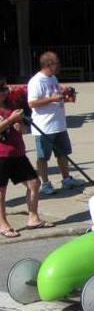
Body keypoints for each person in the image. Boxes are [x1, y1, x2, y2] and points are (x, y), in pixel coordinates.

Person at [0, 77, 51, 237]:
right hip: (1, 154)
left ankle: (33, 218)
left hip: (17, 152)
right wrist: (10, 120)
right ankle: (2, 223)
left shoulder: (11, 105)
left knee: (34, 183)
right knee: (1, 190)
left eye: (5, 89)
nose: (4, 92)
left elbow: (23, 129)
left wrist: (19, 125)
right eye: (0, 90)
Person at [27, 51, 82, 196]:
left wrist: (67, 98)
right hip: (44, 126)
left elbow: (57, 98)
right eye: (57, 63)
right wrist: (52, 99)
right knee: (43, 157)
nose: (59, 66)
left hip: (59, 124)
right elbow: (32, 103)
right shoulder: (36, 81)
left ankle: (66, 178)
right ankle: (45, 183)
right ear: (49, 65)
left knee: (63, 153)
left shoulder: (53, 79)